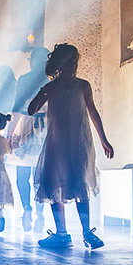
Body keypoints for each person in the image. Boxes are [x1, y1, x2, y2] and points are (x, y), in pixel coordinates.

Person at [28, 43, 114, 250]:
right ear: (59, 64)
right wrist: (44, 91)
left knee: (78, 183)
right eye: (69, 63)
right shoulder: (51, 87)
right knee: (53, 183)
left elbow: (92, 112)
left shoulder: (82, 86)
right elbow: (31, 110)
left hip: (78, 142)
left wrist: (103, 139)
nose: (73, 67)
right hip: (56, 143)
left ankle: (86, 231)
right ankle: (61, 232)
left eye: (75, 62)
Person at [9, 46, 50, 232]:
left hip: (32, 126)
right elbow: (17, 106)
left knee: (28, 173)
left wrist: (10, 134)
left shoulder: (38, 80)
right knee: (34, 173)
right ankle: (34, 210)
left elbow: (18, 107)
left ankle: (31, 209)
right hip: (37, 126)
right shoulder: (47, 80)